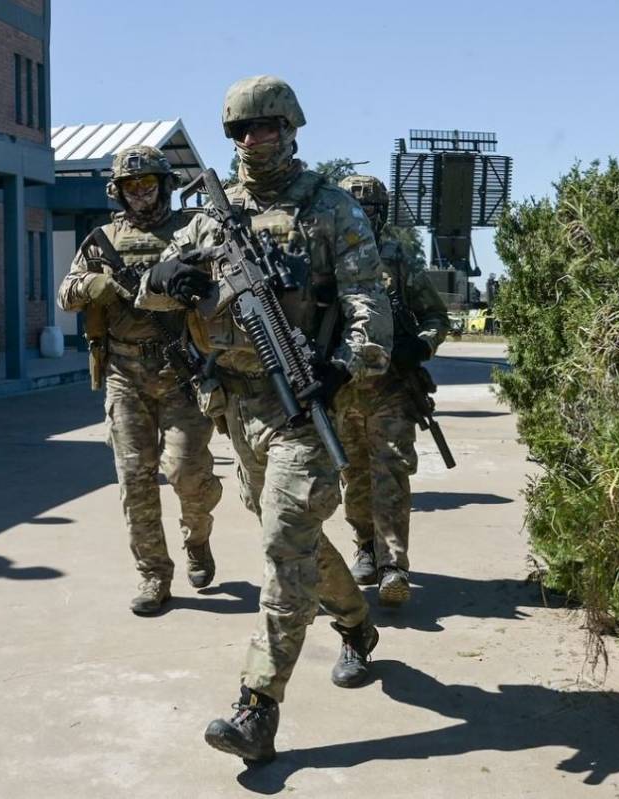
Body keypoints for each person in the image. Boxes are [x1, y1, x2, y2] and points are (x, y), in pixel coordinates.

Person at [136, 75, 393, 763]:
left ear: (292, 128)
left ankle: (258, 705)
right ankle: (356, 621)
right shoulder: (211, 217)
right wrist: (169, 281)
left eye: (268, 127)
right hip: (233, 407)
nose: (256, 140)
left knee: (284, 539)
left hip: (305, 403)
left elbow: (368, 296)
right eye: (244, 131)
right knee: (297, 536)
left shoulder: (329, 208)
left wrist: (348, 362)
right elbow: (152, 287)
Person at [57, 145, 222, 615]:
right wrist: (91, 286)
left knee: (188, 473)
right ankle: (153, 574)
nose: (142, 193)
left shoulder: (190, 233)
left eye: (149, 184)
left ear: (166, 186)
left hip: (183, 372)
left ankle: (198, 536)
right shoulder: (102, 239)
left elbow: (220, 289)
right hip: (124, 374)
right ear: (119, 191)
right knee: (135, 480)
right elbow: (65, 293)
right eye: (132, 186)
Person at [336, 174, 449, 606]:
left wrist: (420, 345)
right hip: (343, 389)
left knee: (392, 474)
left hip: (391, 391)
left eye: (371, 212)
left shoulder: (398, 260)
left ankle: (393, 566)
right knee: (354, 477)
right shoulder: (325, 257)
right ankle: (365, 543)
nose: (363, 218)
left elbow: (435, 318)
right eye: (355, 210)